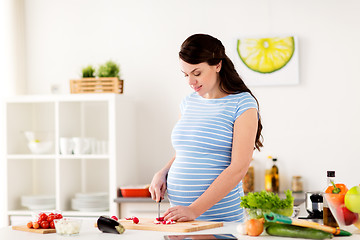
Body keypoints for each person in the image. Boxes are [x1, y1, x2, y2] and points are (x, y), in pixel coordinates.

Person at [149, 34, 263, 222]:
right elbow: (186, 151)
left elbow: (238, 168)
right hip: (181, 218)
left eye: (197, 73)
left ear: (217, 65)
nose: (190, 81)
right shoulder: (188, 102)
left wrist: (194, 210)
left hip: (219, 220)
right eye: (186, 74)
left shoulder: (242, 103)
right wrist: (163, 172)